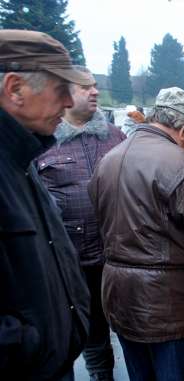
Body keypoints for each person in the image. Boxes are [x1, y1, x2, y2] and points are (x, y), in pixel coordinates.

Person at [88, 87, 184, 381]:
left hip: (119, 293)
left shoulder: (109, 159)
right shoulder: (181, 165)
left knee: (140, 374)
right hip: (165, 302)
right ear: (182, 130)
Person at [0, 30, 92, 380]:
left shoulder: (22, 158)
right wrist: (30, 347)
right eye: (60, 89)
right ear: (15, 89)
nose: (69, 102)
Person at [37, 66, 125, 381]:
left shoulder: (116, 137)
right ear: (64, 94)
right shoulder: (43, 140)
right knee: (91, 333)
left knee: (132, 326)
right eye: (84, 87)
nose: (94, 91)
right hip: (73, 262)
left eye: (95, 86)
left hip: (120, 254)